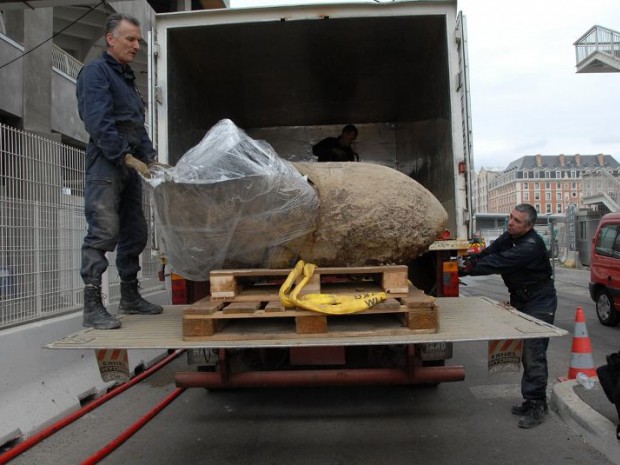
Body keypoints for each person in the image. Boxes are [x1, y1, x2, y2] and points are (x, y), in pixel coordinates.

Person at [76, 13, 164, 330]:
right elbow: (98, 123)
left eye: (139, 40)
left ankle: (129, 297)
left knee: (135, 231)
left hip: (128, 164)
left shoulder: (126, 78)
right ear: (110, 39)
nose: (137, 45)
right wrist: (124, 157)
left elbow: (136, 125)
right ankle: (92, 305)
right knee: (103, 231)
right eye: (131, 39)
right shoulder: (96, 73)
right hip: (106, 162)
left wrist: (150, 158)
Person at [461, 203, 557, 429]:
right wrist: (471, 260)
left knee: (534, 351)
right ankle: (530, 398)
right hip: (521, 299)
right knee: (525, 351)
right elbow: (490, 253)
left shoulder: (530, 246)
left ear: (529, 226)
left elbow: (498, 262)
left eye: (517, 221)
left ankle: (537, 404)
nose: (510, 222)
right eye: (510, 217)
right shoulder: (510, 236)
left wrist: (466, 269)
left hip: (539, 300)